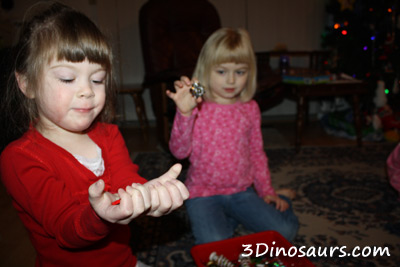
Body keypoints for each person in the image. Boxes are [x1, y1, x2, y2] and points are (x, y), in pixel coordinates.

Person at [0, 2, 189, 266]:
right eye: (67, 78)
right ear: (27, 83)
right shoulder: (19, 159)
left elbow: (127, 181)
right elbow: (65, 227)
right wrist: (99, 216)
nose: (87, 91)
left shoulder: (109, 135)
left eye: (97, 79)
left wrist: (148, 194)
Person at [167, 27, 298, 245]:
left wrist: (267, 191)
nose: (230, 81)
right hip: (203, 194)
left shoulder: (250, 108)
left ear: (250, 72)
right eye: (221, 71)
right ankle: (228, 220)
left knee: (285, 232)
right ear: (206, 70)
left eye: (239, 72)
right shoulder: (196, 105)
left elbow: (256, 152)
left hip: (242, 191)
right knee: (215, 244)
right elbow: (179, 152)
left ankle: (280, 198)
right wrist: (185, 113)